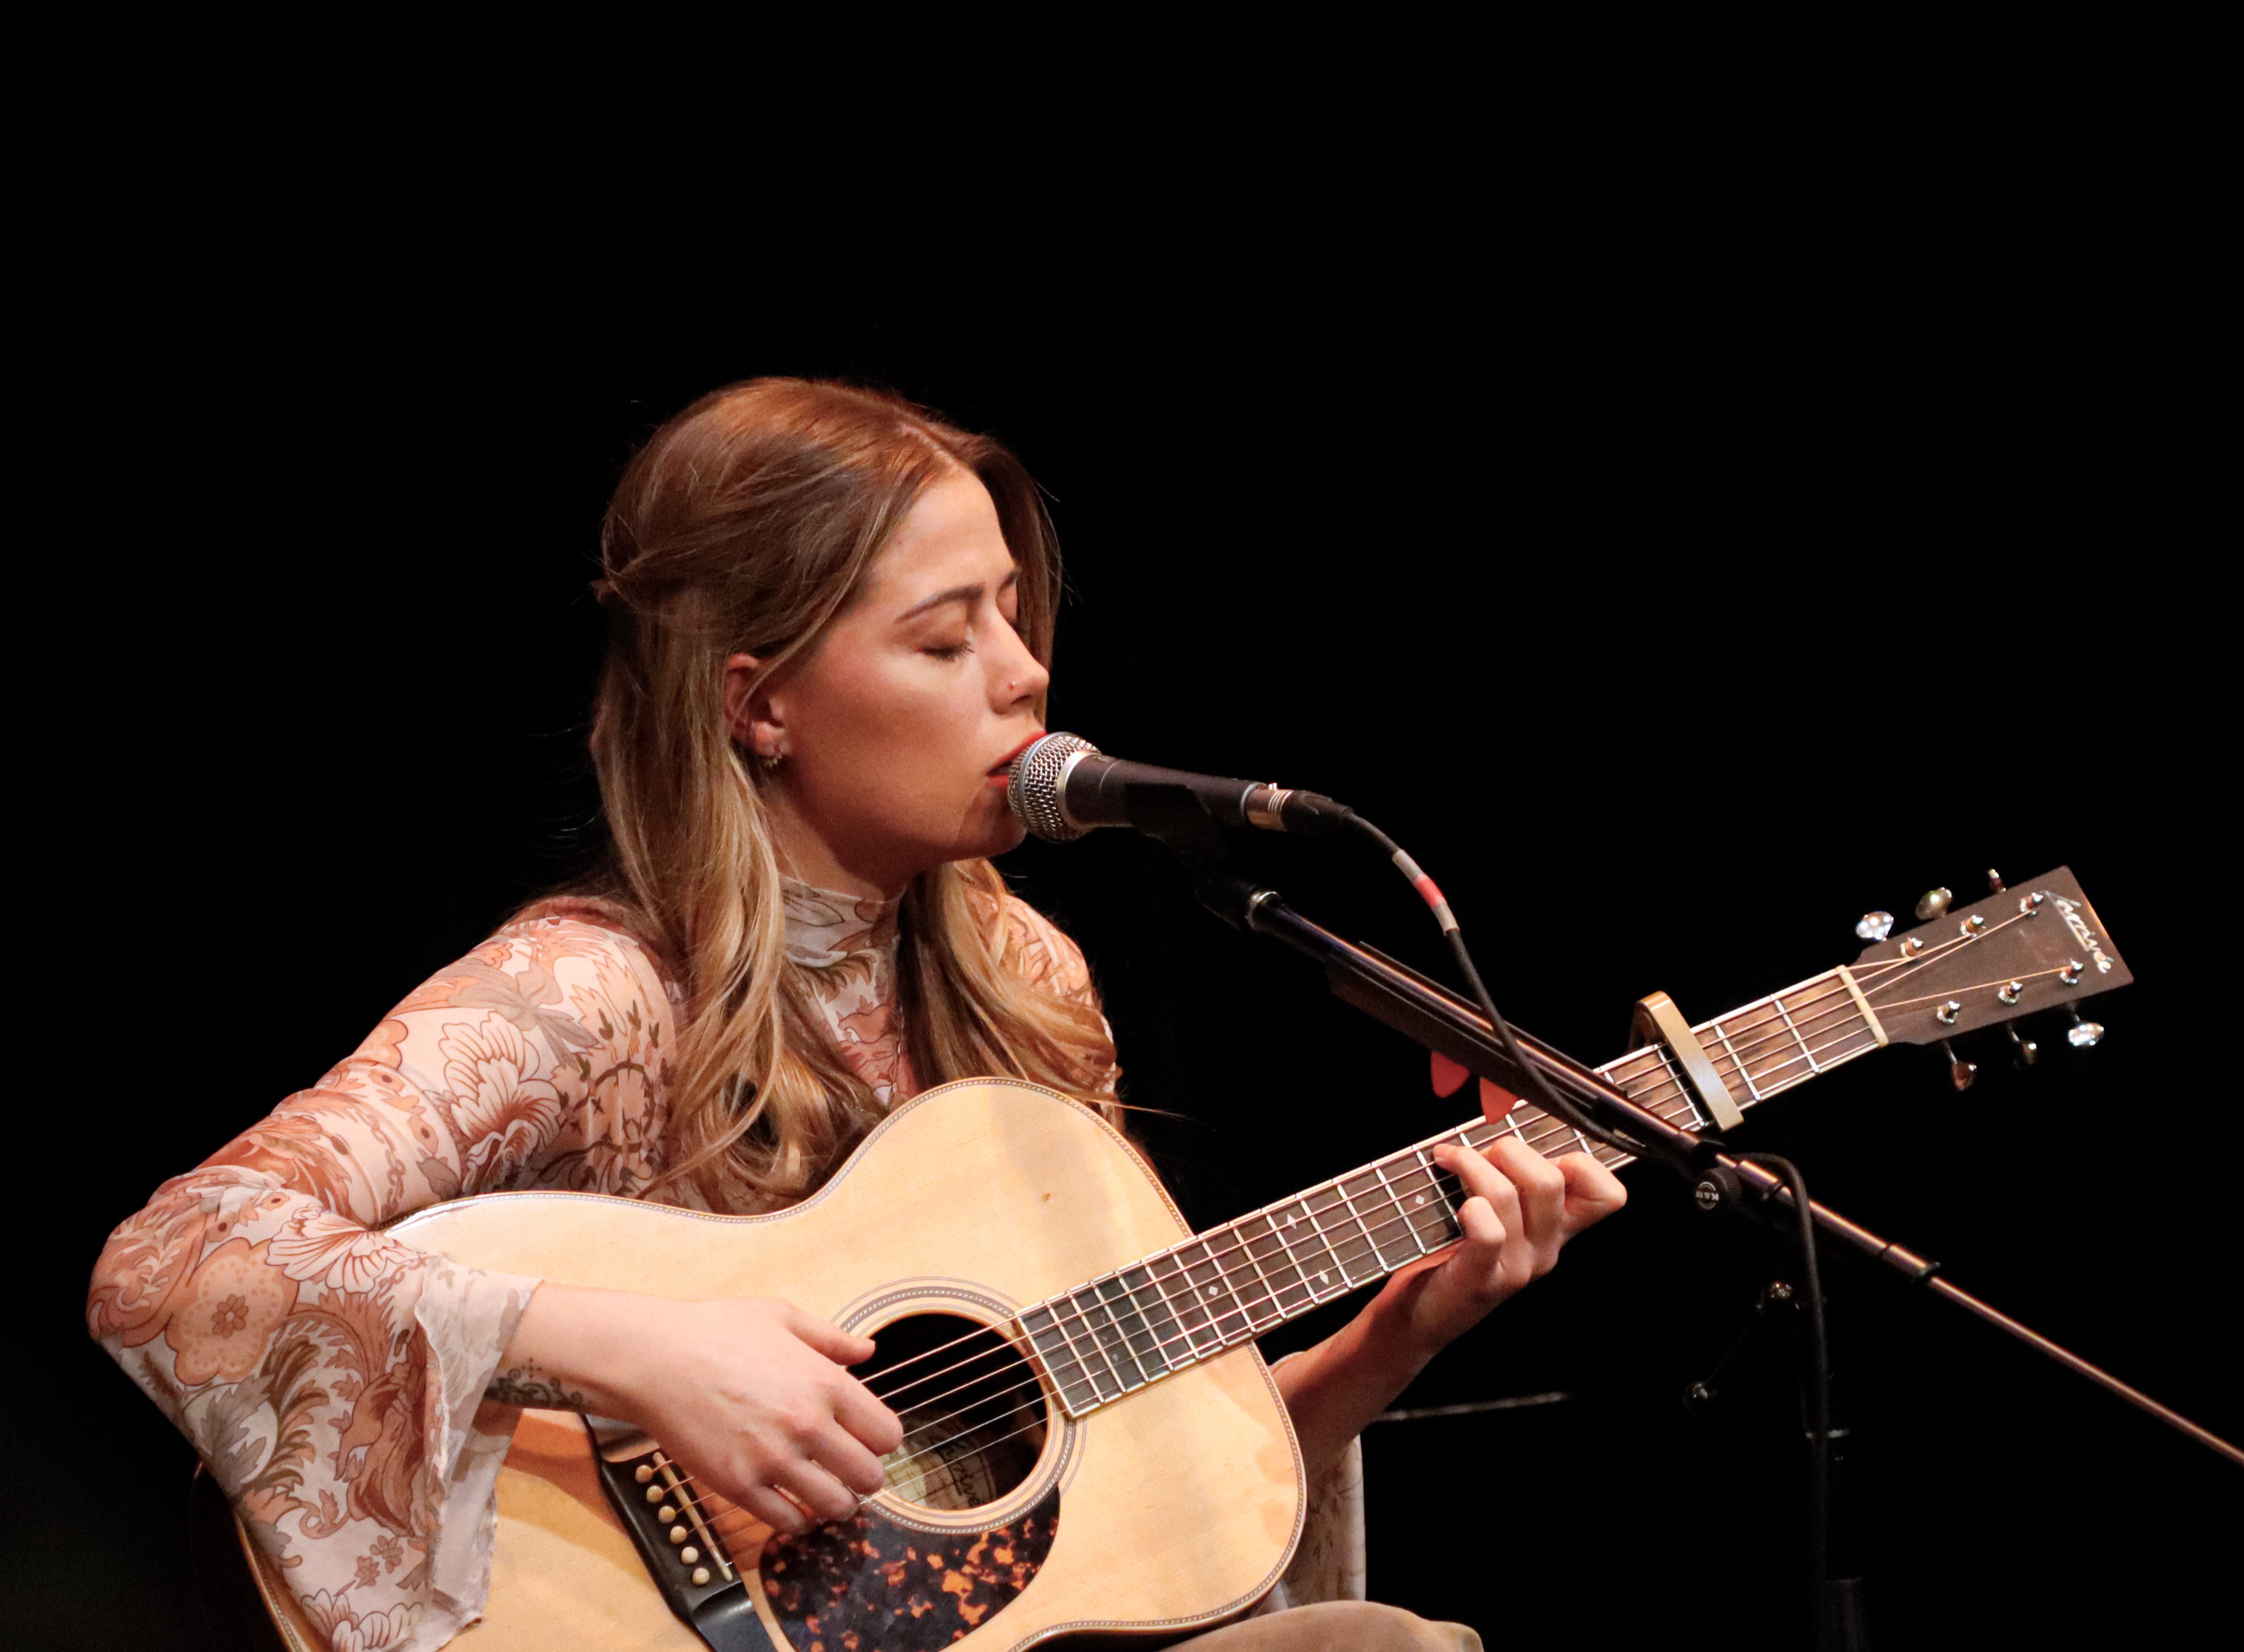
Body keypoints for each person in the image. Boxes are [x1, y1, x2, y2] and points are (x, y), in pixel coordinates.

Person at [87, 379, 1626, 1651]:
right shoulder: (587, 995)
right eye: (945, 639)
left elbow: (1115, 1510)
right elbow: (173, 1258)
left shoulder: (1030, 983)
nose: (1025, 677)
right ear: (760, 704)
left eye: (1016, 619)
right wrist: (631, 1350)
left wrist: (1402, 1326)